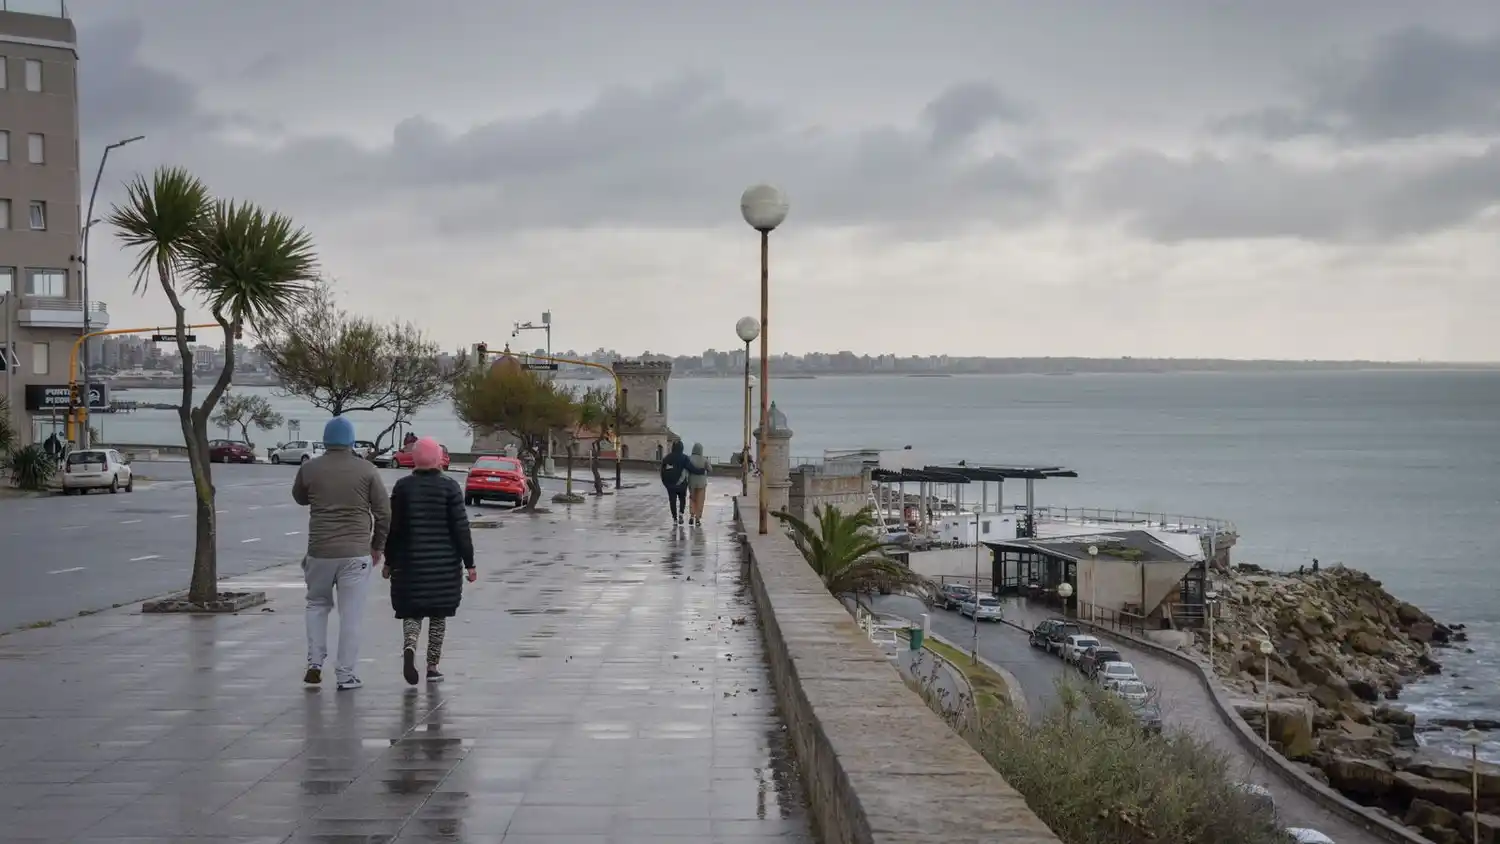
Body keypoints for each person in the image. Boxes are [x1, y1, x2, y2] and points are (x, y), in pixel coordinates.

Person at [293, 416, 391, 691]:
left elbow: (300, 497)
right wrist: (377, 546)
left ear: (326, 440)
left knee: (316, 605)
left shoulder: (310, 468)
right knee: (351, 615)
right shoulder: (368, 471)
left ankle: (314, 662)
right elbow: (384, 513)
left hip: (319, 551)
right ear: (351, 441)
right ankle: (346, 674)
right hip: (356, 553)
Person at [383, 437, 476, 685]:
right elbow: (461, 529)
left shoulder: (402, 487)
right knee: (438, 616)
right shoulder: (450, 488)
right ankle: (433, 667)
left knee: (412, 613)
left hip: (408, 566)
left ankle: (410, 646)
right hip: (444, 568)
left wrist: (388, 561)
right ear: (439, 459)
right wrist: (470, 563)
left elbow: (394, 529)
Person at [686, 443, 711, 526]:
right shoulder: (704, 459)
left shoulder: (689, 458)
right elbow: (710, 469)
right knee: (700, 500)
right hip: (702, 483)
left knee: (692, 498)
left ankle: (691, 515)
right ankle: (697, 518)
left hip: (691, 482)